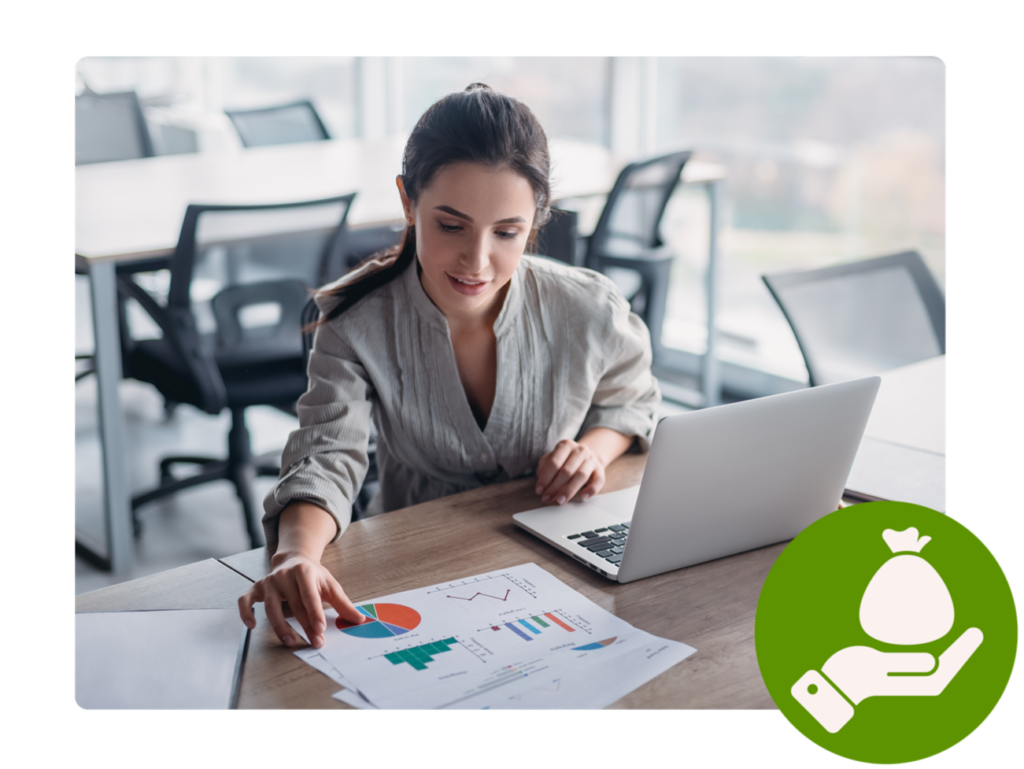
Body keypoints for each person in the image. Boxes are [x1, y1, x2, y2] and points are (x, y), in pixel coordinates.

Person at [238, 84, 661, 649]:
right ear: (408, 203)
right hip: (417, 564)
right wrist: (296, 555)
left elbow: (631, 403)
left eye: (508, 233)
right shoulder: (352, 319)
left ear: (536, 218)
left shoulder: (589, 306)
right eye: (451, 225)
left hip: (557, 555)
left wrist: (594, 449)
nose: (477, 261)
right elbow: (327, 455)